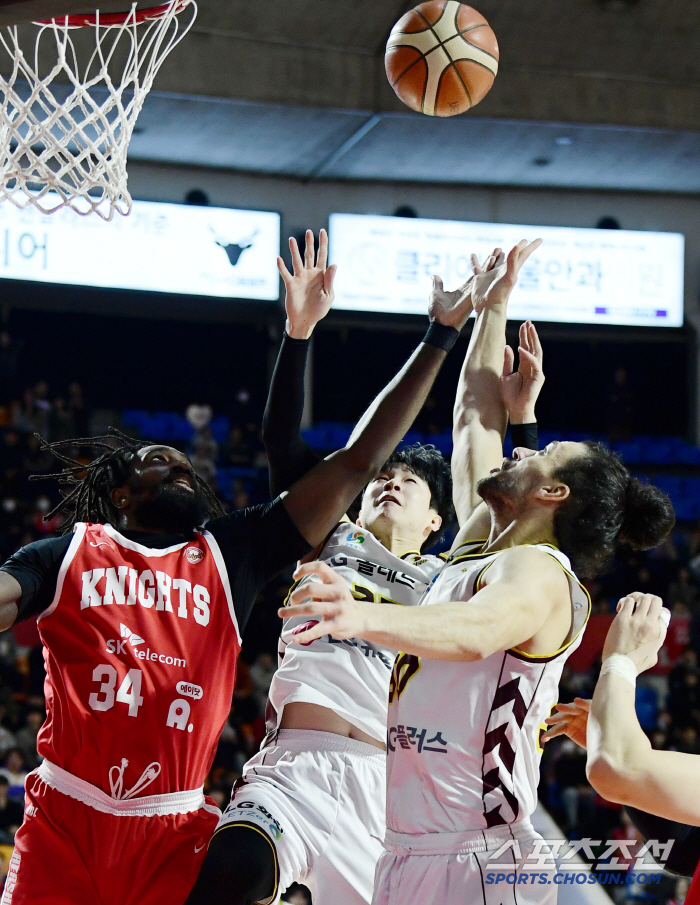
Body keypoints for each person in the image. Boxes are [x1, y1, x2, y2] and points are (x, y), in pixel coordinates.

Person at [0, 230, 472, 905]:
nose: (181, 468)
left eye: (188, 464)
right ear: (123, 492)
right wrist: (303, 333)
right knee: (236, 874)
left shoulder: (229, 551)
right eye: (160, 459)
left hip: (201, 814)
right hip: (77, 813)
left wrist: (442, 333)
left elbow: (363, 456)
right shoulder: (73, 550)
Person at [282, 241, 676, 905]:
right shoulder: (477, 547)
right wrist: (491, 308)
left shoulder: (543, 573)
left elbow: (477, 627)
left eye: (542, 453)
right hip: (408, 849)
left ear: (552, 497)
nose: (523, 447)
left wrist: (362, 614)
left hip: (481, 859)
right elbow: (472, 419)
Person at [186, 229, 488, 905]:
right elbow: (283, 441)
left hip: (386, 795)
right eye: (390, 470)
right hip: (292, 771)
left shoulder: (449, 584)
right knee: (231, 874)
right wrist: (298, 335)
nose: (391, 480)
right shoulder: (327, 537)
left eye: (410, 482)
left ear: (437, 521)